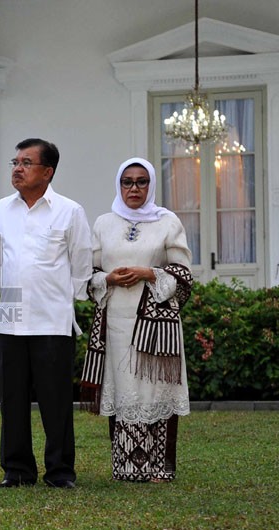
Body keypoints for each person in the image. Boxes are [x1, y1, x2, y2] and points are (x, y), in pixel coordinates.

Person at [81, 157, 193, 483]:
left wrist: (148, 273)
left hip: (155, 325)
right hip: (116, 321)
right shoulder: (104, 223)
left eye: (141, 181)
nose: (134, 188)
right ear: (119, 185)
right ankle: (127, 467)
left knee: (155, 392)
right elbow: (89, 275)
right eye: (127, 181)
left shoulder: (168, 222)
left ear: (151, 185)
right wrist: (110, 279)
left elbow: (183, 274)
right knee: (124, 390)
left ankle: (159, 467)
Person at [0, 138, 92, 489]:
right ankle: (17, 470)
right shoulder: (2, 209)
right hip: (11, 319)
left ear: (47, 172)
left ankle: (60, 471)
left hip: (52, 319)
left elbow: (81, 267)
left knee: (56, 402)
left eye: (26, 162)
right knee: (13, 401)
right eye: (15, 162)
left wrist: (61, 299)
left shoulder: (70, 211)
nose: (17, 168)